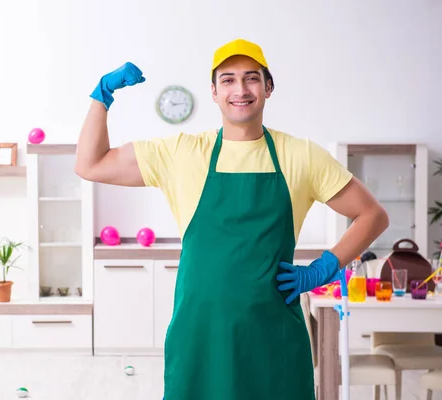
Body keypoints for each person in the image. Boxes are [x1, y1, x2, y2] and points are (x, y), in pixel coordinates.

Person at [75, 38, 389, 400]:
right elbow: (90, 163)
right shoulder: (182, 152)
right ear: (213, 91)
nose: (240, 90)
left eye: (251, 78)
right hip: (201, 333)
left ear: (268, 87)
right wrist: (102, 95)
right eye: (228, 80)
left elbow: (372, 215)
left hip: (272, 334)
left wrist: (322, 268)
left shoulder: (301, 155)